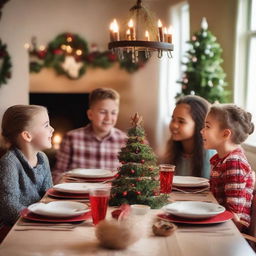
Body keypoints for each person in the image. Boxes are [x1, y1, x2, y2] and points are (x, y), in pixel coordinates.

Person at [0, 105, 54, 240]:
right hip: (11, 229)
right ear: (27, 135)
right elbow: (9, 208)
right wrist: (41, 218)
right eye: (46, 125)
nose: (52, 129)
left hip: (36, 223)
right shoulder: (9, 162)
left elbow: (48, 194)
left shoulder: (42, 158)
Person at [53, 88, 127, 184]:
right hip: (78, 194)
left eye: (113, 113)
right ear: (90, 114)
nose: (108, 118)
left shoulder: (125, 141)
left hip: (112, 196)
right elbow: (57, 173)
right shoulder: (72, 138)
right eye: (103, 112)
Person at [201, 104, 255, 230]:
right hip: (221, 222)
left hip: (231, 231)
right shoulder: (222, 159)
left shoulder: (234, 163)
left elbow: (234, 217)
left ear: (225, 134)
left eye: (207, 126)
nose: (202, 131)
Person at [163, 95, 215, 178]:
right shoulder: (172, 152)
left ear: (199, 124)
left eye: (181, 121)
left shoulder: (212, 156)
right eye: (173, 119)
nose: (174, 125)